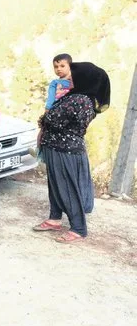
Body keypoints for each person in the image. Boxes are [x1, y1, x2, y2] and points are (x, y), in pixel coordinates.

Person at [33, 62, 110, 243]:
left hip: (65, 149)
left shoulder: (81, 100)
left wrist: (47, 118)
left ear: (85, 79)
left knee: (67, 188)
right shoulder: (75, 96)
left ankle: (78, 228)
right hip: (56, 147)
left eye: (73, 76)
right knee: (55, 185)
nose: (69, 78)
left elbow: (52, 119)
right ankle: (54, 218)